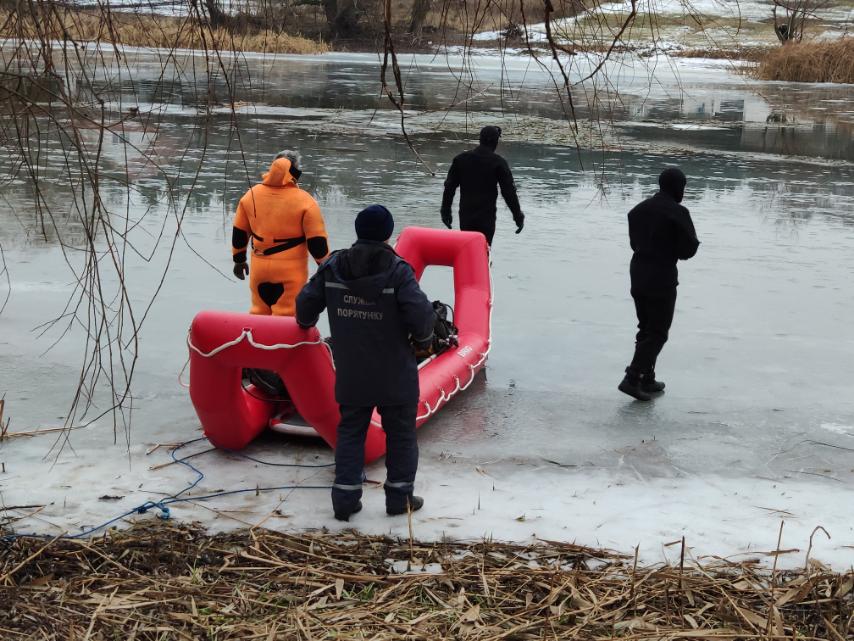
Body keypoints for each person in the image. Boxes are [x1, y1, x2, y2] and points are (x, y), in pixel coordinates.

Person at [296, 205, 435, 521]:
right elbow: (421, 316)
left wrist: (304, 324)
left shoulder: (333, 267)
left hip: (351, 370)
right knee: (400, 435)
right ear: (388, 234)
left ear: (358, 230)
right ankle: (400, 498)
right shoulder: (398, 271)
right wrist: (424, 342)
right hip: (395, 372)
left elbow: (305, 305)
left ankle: (345, 501)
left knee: (350, 432)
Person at [619, 167, 700, 401]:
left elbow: (634, 242)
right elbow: (689, 249)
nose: (683, 192)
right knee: (657, 332)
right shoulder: (677, 212)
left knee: (645, 327)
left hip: (638, 271)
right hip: (661, 275)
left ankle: (647, 377)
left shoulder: (638, 210)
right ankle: (632, 377)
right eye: (683, 187)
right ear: (677, 187)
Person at [232, 150, 329, 316]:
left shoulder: (251, 195)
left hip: (259, 270)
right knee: (287, 314)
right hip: (290, 272)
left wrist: (239, 260)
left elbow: (239, 232)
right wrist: (327, 268)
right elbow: (317, 243)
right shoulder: (305, 201)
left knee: (259, 311)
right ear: (295, 173)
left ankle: (254, 340)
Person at [440, 125, 524, 245]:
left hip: (466, 217)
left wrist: (445, 211)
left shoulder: (461, 159)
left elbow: (449, 187)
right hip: (486, 219)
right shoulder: (498, 163)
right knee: (484, 252)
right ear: (496, 142)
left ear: (480, 139)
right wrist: (518, 216)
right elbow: (508, 192)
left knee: (467, 249)